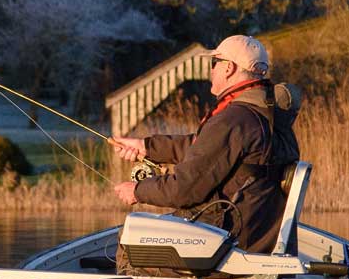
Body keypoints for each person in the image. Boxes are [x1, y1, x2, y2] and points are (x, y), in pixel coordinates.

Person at [110, 35, 301, 263]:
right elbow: (207, 149)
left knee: (128, 244)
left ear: (229, 68)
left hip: (228, 244)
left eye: (214, 63)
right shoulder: (266, 117)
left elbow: (184, 189)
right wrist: (147, 147)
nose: (211, 70)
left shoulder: (233, 120)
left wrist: (137, 191)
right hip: (255, 237)